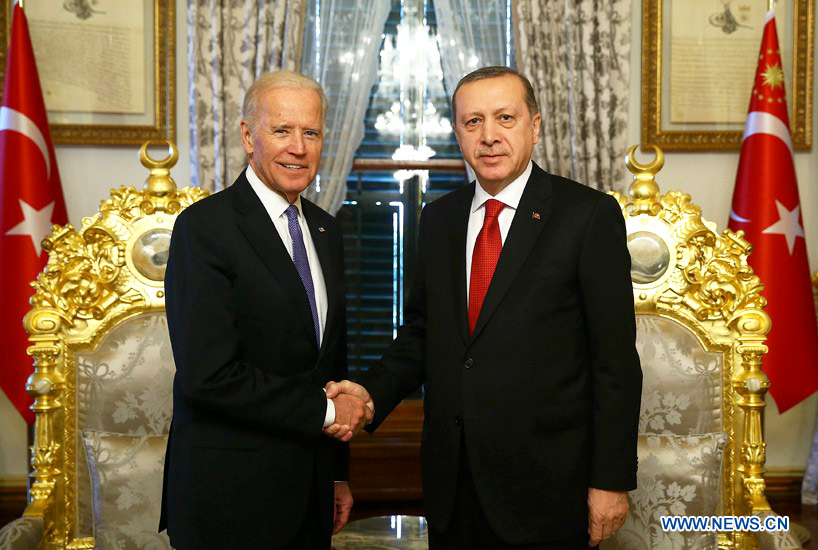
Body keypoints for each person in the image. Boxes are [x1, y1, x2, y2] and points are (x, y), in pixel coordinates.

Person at [326, 66, 642, 548]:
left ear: (535, 126)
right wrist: (368, 394)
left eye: (505, 118)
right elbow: (422, 335)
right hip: (452, 488)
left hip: (550, 491)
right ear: (458, 133)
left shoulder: (588, 216)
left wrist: (610, 481)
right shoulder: (439, 219)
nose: (489, 136)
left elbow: (615, 364)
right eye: (473, 122)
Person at [159, 71, 372, 549]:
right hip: (230, 502)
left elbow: (328, 363)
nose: (298, 147)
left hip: (310, 495)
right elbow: (209, 376)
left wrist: (336, 474)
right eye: (282, 130)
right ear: (247, 136)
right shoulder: (204, 229)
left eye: (311, 132)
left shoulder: (324, 230)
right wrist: (326, 410)